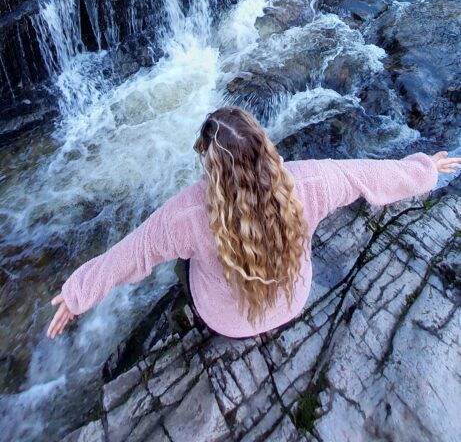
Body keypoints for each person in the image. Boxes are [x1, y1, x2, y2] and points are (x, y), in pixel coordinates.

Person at [47, 107, 461, 341]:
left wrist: (76, 294)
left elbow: (133, 254)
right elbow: (366, 176)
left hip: (224, 319)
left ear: (210, 165)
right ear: (265, 145)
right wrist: (425, 169)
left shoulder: (188, 214)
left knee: (179, 261)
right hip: (292, 298)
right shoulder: (308, 182)